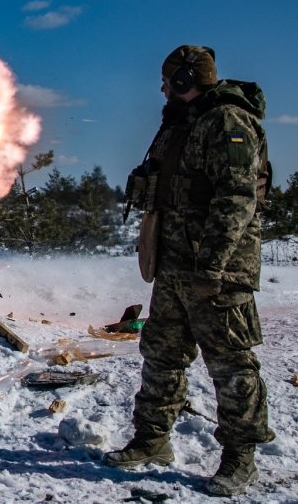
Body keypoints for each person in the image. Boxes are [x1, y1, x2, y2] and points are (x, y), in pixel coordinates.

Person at [106, 45, 275, 497]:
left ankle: (241, 460)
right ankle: (151, 442)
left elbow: (237, 200)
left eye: (168, 79)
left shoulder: (228, 123)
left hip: (216, 272)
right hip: (175, 266)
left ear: (185, 80)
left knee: (231, 365)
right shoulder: (181, 125)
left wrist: (213, 266)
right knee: (160, 356)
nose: (161, 87)